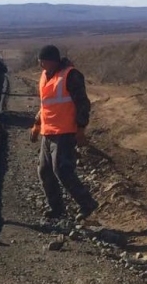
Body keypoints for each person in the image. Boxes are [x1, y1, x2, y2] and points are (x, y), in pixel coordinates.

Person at [30, 44, 99, 220]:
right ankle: (57, 209)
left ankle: (87, 203)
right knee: (45, 172)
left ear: (51, 61)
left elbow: (83, 103)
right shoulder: (45, 76)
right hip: (48, 132)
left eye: (42, 61)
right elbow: (45, 106)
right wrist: (37, 126)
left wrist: (81, 129)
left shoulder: (71, 75)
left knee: (62, 170)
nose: (40, 65)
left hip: (65, 132)